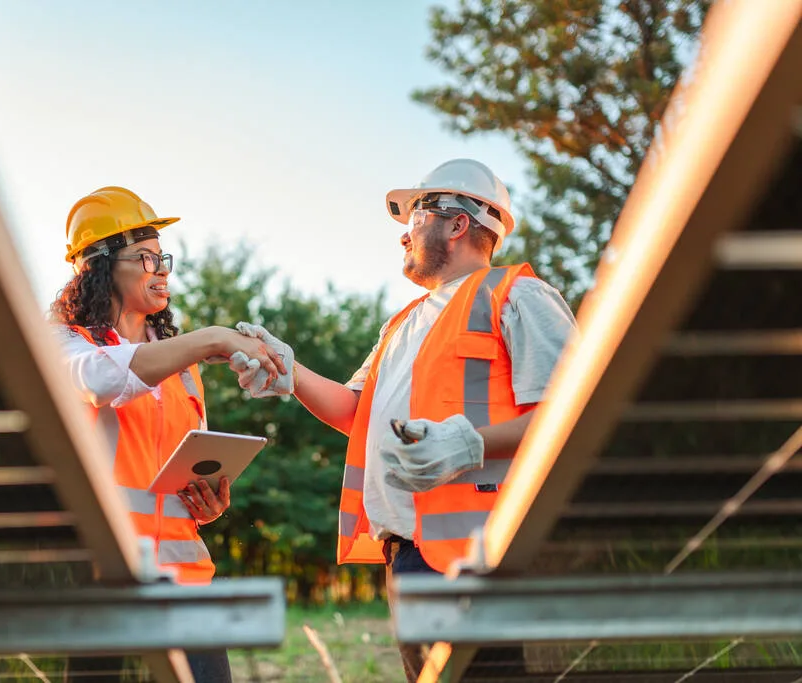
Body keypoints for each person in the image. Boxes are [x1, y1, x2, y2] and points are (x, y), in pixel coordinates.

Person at [230, 159, 577, 681]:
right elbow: (354, 411)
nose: (402, 236)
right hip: (411, 556)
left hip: (486, 557)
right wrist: (290, 370)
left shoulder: (520, 296)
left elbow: (571, 420)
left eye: (414, 216)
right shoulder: (403, 323)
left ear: (458, 222)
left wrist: (469, 444)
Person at [50, 186, 285, 683]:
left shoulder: (181, 364)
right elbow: (100, 380)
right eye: (146, 258)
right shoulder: (63, 341)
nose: (162, 271)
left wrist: (209, 502)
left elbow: (187, 463)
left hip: (186, 590)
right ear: (99, 265)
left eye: (163, 259)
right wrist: (213, 338)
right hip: (104, 588)